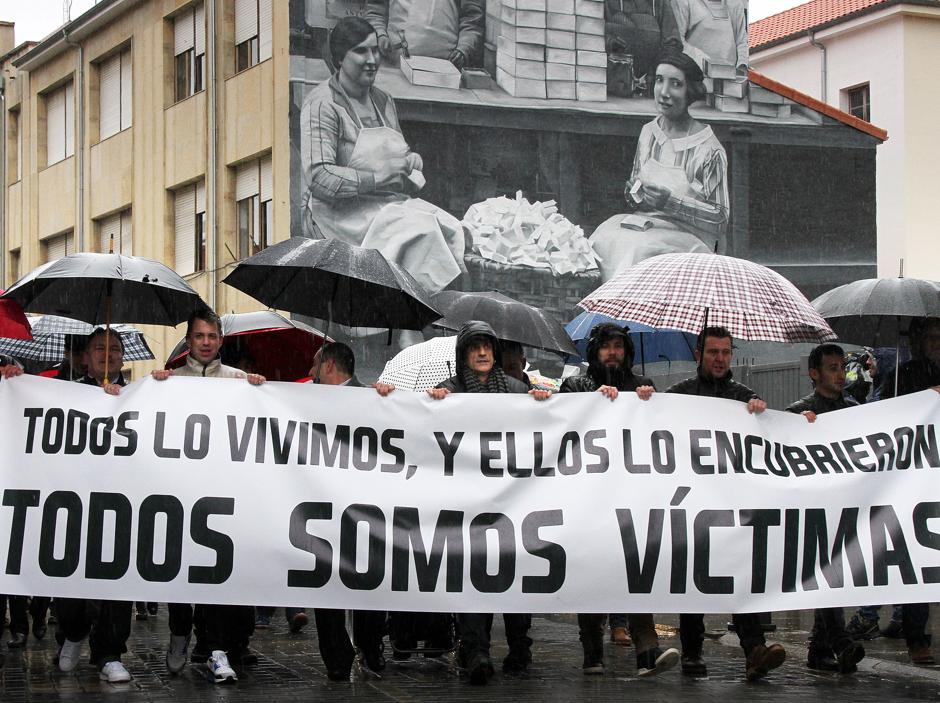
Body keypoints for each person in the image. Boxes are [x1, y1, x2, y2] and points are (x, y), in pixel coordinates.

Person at [299, 16, 464, 296]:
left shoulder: (383, 101)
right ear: (340, 57)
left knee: (451, 227)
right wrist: (377, 179)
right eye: (361, 51)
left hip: (385, 205)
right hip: (341, 216)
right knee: (421, 232)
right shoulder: (322, 105)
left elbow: (396, 155)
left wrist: (411, 162)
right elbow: (319, 177)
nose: (372, 59)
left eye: (375, 50)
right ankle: (403, 326)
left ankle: (431, 315)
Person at [427, 321, 550, 684]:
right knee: (472, 576)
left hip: (513, 502)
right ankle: (477, 649)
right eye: (474, 347)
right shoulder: (448, 391)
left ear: (495, 353)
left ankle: (519, 648)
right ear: (463, 354)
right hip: (467, 505)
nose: (482, 353)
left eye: (487, 347)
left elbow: (543, 430)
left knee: (514, 575)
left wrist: (539, 405)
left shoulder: (516, 389)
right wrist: (429, 405)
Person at [665, 326, 786, 681]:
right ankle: (691, 651)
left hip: (733, 503)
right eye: (713, 352)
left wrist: (760, 413)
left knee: (740, 573)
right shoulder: (679, 395)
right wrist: (645, 400)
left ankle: (755, 651)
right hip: (692, 501)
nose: (720, 359)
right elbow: (651, 425)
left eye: (725, 352)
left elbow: (766, 440)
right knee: (695, 574)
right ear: (699, 354)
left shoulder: (743, 397)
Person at [152, 310, 265, 683]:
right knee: (180, 574)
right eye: (198, 335)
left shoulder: (237, 381)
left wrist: (261, 392)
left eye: (211, 336)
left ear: (220, 340)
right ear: (189, 340)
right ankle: (180, 632)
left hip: (220, 499)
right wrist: (153, 388)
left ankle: (216, 649)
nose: (205, 342)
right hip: (180, 495)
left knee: (214, 573)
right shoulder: (170, 382)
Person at [559, 324, 678, 676]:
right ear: (594, 351)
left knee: (635, 570)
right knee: (592, 572)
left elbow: (662, 428)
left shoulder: (642, 387)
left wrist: (647, 402)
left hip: (631, 496)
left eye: (618, 347)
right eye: (606, 347)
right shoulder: (575, 385)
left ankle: (647, 650)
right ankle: (592, 650)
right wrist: (592, 401)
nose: (613, 353)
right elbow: (559, 426)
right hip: (588, 497)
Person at [590, 50, 728, 280]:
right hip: (649, 225)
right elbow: (636, 190)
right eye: (659, 81)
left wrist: (671, 203)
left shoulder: (709, 149)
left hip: (693, 238)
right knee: (603, 235)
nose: (664, 92)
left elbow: (721, 218)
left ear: (690, 92)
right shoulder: (649, 133)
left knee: (636, 251)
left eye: (675, 84)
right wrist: (634, 192)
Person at [304, 342, 390, 679]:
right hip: (321, 508)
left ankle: (370, 647)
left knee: (368, 581)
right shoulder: (304, 400)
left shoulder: (373, 399)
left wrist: (389, 399)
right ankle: (337, 658)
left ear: (328, 366)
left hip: (363, 510)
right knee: (326, 585)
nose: (310, 373)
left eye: (314, 365)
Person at [53, 329, 133, 683]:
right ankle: (71, 633)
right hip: (75, 502)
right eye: (99, 348)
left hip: (120, 503)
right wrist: (12, 381)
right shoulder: (65, 393)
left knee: (116, 583)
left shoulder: (137, 396)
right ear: (84, 357)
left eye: (114, 349)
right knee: (70, 581)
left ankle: (110, 653)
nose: (107, 354)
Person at [786, 344, 866, 673]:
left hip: (844, 504)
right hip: (813, 507)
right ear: (814, 373)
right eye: (832, 367)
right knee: (826, 574)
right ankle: (840, 641)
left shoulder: (855, 408)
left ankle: (819, 651)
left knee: (832, 575)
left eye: (842, 367)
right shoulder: (800, 411)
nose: (839, 374)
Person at [364, 0, 483, 68]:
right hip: (394, 68)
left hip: (444, 73)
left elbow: (472, 20)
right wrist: (380, 35)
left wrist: (464, 48)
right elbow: (375, 11)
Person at [605, 0, 683, 90]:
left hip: (650, 88)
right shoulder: (607, 2)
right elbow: (593, 36)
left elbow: (673, 43)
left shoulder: (660, 3)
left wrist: (656, 71)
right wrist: (611, 43)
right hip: (613, 87)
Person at [671, 0, 748, 75]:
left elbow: (741, 41)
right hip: (695, 76)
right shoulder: (683, 2)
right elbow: (677, 40)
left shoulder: (735, 4)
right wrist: (702, 61)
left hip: (730, 78)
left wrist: (742, 66)